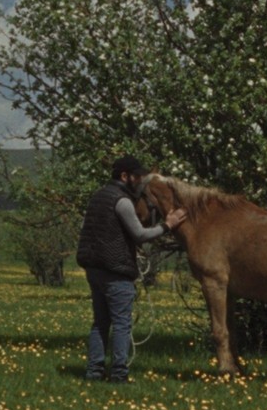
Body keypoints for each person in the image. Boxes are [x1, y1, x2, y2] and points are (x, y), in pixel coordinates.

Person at [75, 156, 186, 383]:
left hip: (93, 269)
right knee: (122, 324)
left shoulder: (98, 196)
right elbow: (140, 234)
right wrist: (168, 225)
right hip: (115, 271)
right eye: (136, 176)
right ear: (124, 176)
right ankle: (119, 374)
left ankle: (94, 372)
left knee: (100, 323)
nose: (139, 180)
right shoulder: (122, 201)